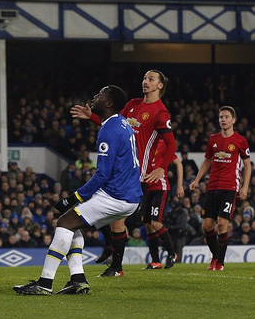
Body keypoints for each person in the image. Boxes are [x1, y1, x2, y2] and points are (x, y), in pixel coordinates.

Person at [13, 85, 141, 295]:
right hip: (130, 196)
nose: (95, 96)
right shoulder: (121, 123)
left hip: (116, 195)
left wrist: (74, 197)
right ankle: (78, 280)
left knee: (64, 222)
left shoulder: (108, 131)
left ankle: (44, 284)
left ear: (108, 103)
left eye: (100, 94)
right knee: (73, 224)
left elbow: (102, 175)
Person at [71, 69, 178, 275]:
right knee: (105, 211)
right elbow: (112, 124)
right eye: (145, 78)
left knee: (113, 216)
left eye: (151, 79)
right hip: (119, 166)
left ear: (160, 86)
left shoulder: (160, 112)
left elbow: (171, 145)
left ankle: (116, 263)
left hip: (136, 173)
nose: (146, 82)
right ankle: (112, 250)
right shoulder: (132, 105)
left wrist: (160, 168)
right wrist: (91, 116)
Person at [189, 106, 251, 271]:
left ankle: (219, 263)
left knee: (222, 224)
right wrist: (196, 180)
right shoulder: (213, 139)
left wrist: (245, 186)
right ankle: (215, 256)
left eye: (226, 117)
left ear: (233, 120)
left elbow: (247, 165)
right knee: (207, 226)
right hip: (212, 186)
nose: (223, 119)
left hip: (230, 187)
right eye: (221, 117)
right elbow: (208, 161)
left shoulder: (240, 141)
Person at [142, 140, 185, 269]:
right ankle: (156, 261)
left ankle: (172, 254)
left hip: (160, 188)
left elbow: (178, 164)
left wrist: (179, 186)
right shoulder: (144, 144)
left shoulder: (164, 143)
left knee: (156, 223)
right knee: (148, 225)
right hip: (147, 188)